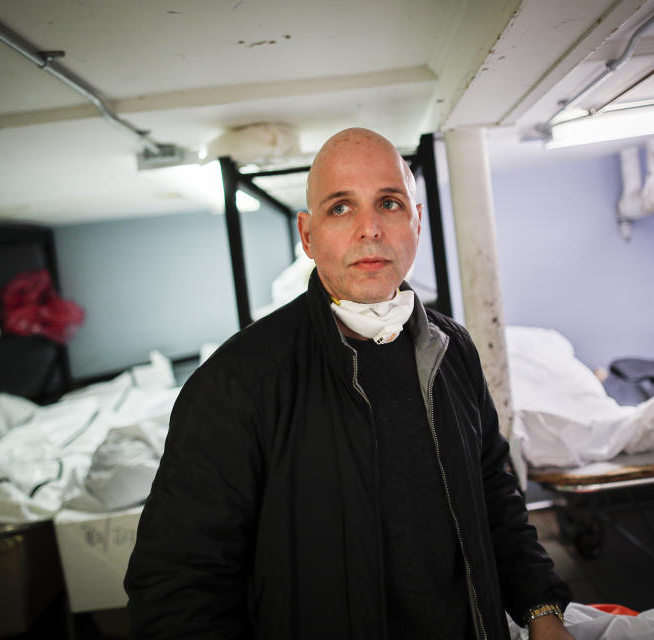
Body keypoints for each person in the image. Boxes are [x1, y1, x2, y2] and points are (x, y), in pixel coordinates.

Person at [125, 128, 573, 639]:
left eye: (389, 203)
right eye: (340, 208)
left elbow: (494, 490)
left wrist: (541, 608)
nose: (370, 229)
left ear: (417, 222)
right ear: (308, 236)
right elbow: (178, 584)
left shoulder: (452, 351)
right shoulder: (238, 382)